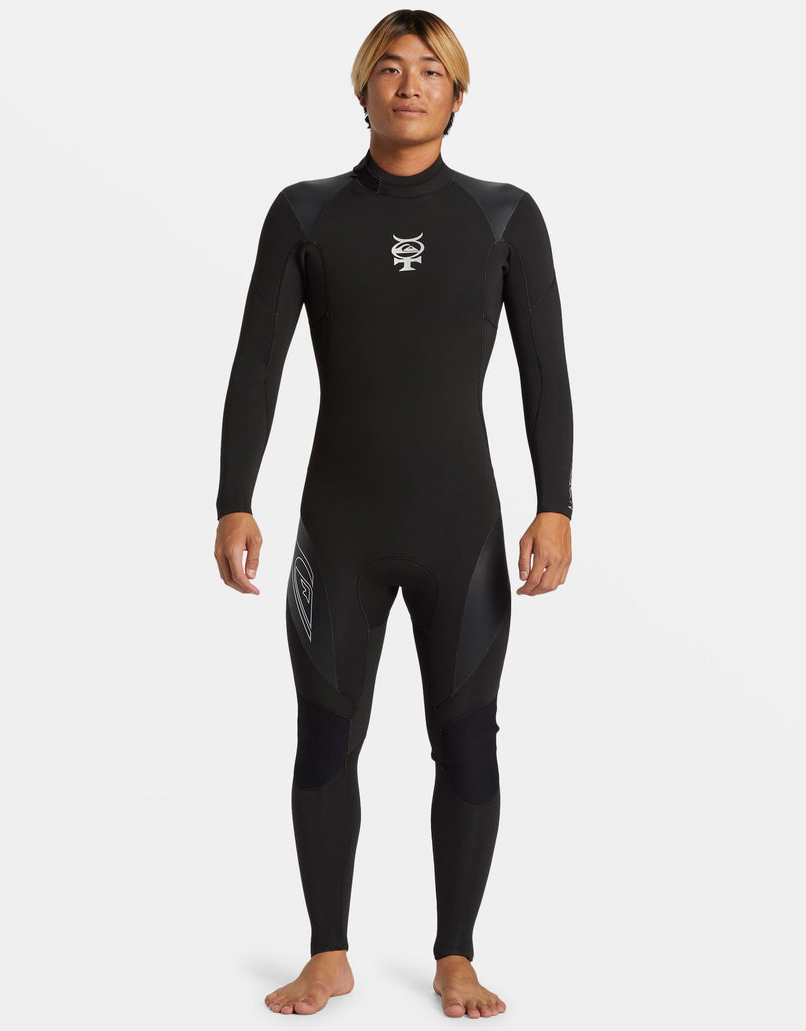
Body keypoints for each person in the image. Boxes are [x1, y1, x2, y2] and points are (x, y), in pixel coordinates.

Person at [213, 8, 573, 1019]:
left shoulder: (503, 217)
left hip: (461, 528)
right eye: (389, 67)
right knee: (326, 734)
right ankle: (328, 952)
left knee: (467, 740)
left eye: (430, 70)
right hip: (342, 525)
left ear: (457, 96)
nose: (409, 84)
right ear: (361, 86)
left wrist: (556, 504)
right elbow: (257, 364)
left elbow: (545, 371)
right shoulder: (306, 214)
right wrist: (234, 496)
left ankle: (455, 955)